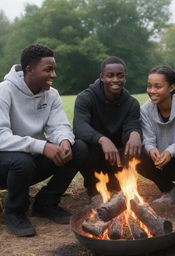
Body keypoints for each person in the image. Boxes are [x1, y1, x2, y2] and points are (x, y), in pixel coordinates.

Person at [0, 43, 87, 237]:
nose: (54, 74)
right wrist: (42, 146)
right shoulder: (4, 91)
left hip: (30, 162)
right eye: (48, 69)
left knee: (78, 148)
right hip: (6, 166)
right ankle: (15, 212)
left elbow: (59, 126)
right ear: (29, 69)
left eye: (54, 69)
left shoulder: (51, 94)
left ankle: (46, 203)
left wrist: (64, 141)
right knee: (21, 161)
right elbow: (0, 136)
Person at [73, 56, 142, 197]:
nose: (115, 80)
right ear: (102, 77)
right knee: (81, 145)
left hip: (117, 159)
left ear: (125, 77)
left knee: (136, 143)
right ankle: (94, 189)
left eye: (120, 76)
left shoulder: (131, 103)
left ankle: (123, 184)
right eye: (110, 76)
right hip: (95, 156)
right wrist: (102, 139)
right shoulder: (85, 98)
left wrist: (135, 133)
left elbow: (132, 124)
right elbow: (80, 127)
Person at [136, 65, 175, 210]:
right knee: (136, 153)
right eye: (149, 86)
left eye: (158, 86)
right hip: (159, 162)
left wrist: (170, 151)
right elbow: (148, 137)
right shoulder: (145, 110)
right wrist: (151, 149)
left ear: (171, 87)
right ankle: (169, 190)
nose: (152, 91)